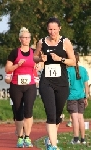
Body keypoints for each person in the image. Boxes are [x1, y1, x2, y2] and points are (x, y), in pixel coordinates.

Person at [33, 17, 76, 150]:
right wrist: (40, 58)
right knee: (51, 114)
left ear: (59, 29)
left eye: (54, 29)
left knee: (57, 115)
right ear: (47, 29)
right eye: (50, 29)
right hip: (46, 82)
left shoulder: (65, 42)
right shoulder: (42, 42)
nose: (52, 32)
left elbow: (73, 61)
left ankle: (49, 139)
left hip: (62, 83)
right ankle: (53, 145)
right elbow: (34, 57)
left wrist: (61, 59)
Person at [5, 27, 37, 148]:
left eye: (28, 37)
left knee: (28, 111)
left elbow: (40, 62)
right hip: (16, 85)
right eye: (24, 37)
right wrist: (17, 65)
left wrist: (39, 65)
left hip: (30, 85)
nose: (26, 39)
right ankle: (20, 137)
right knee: (18, 112)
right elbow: (7, 69)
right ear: (20, 39)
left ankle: (27, 137)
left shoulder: (34, 52)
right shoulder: (14, 52)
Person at [5, 63, 41, 136]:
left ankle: (26, 132)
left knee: (28, 112)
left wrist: (30, 86)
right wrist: (13, 80)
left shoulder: (31, 68)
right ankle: (20, 129)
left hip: (27, 92)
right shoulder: (13, 67)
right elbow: (7, 79)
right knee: (17, 113)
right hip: (16, 92)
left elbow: (36, 81)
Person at [67, 51, 89, 144]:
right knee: (81, 118)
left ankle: (76, 139)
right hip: (81, 96)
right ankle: (83, 139)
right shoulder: (83, 70)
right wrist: (86, 97)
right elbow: (86, 85)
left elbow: (67, 84)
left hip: (72, 96)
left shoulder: (68, 70)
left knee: (74, 118)